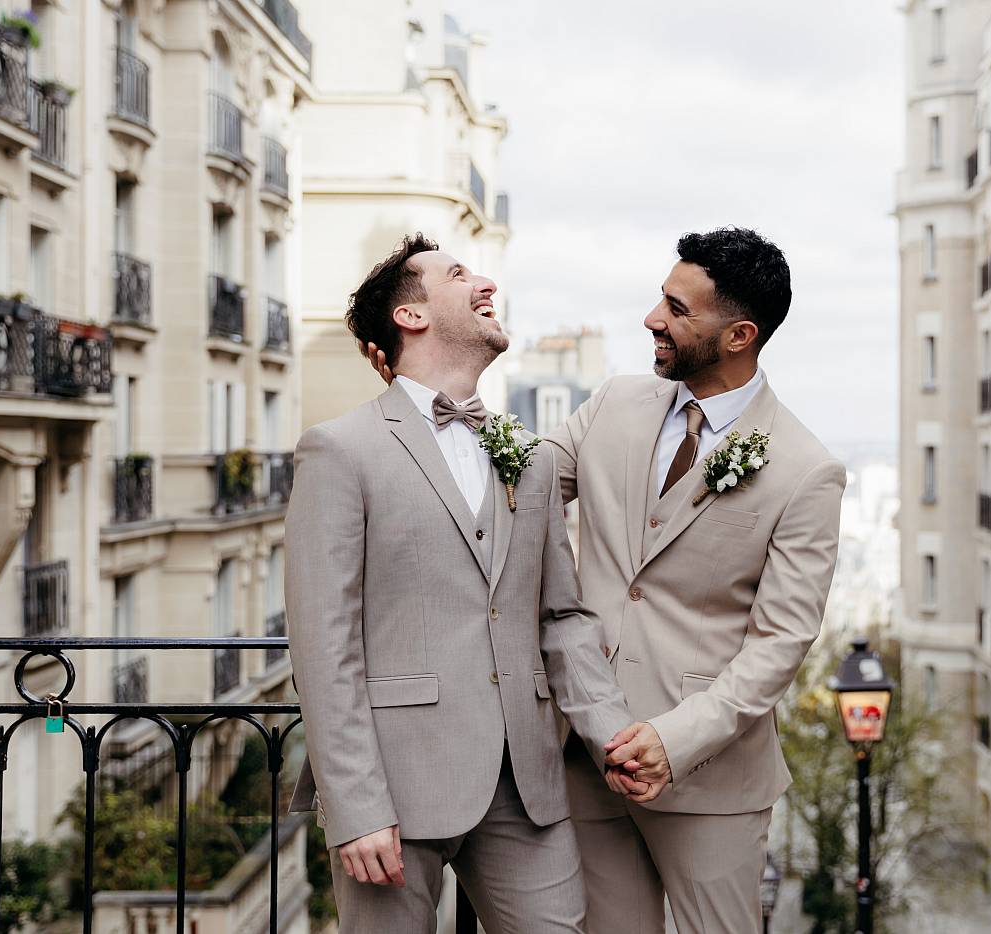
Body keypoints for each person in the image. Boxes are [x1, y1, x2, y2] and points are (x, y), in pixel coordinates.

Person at [364, 226, 845, 934]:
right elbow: (513, 482)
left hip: (708, 777)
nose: (653, 319)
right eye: (661, 299)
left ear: (739, 334)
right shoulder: (618, 401)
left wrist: (674, 740)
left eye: (678, 311)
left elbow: (779, 645)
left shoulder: (807, 469)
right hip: (585, 756)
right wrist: (419, 397)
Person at [285, 234, 643, 933]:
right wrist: (357, 809)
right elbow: (323, 648)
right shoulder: (340, 449)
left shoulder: (530, 459)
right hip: (393, 788)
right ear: (412, 316)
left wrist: (610, 733)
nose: (485, 285)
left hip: (527, 785)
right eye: (458, 275)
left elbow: (562, 620)